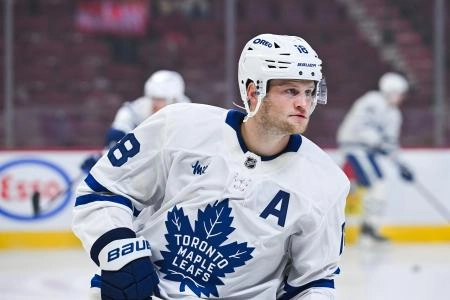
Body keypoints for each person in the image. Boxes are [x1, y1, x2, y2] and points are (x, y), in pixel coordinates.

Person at [72, 33, 350, 300]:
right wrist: (118, 247)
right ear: (253, 92)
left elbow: (313, 282)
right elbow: (103, 192)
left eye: (309, 92)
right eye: (290, 91)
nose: (304, 103)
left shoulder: (326, 184)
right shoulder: (179, 126)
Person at [336, 72, 413, 244]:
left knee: (369, 187)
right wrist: (379, 143)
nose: (401, 97)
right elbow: (361, 128)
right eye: (400, 93)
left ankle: (368, 228)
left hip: (368, 152)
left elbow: (390, 144)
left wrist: (401, 165)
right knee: (375, 184)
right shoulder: (371, 101)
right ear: (391, 91)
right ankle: (367, 228)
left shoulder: (394, 115)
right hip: (355, 149)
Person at [80, 69, 190, 172]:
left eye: (160, 99)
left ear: (175, 99)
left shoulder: (187, 112)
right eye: (153, 98)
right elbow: (117, 136)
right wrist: (104, 158)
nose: (155, 104)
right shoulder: (134, 110)